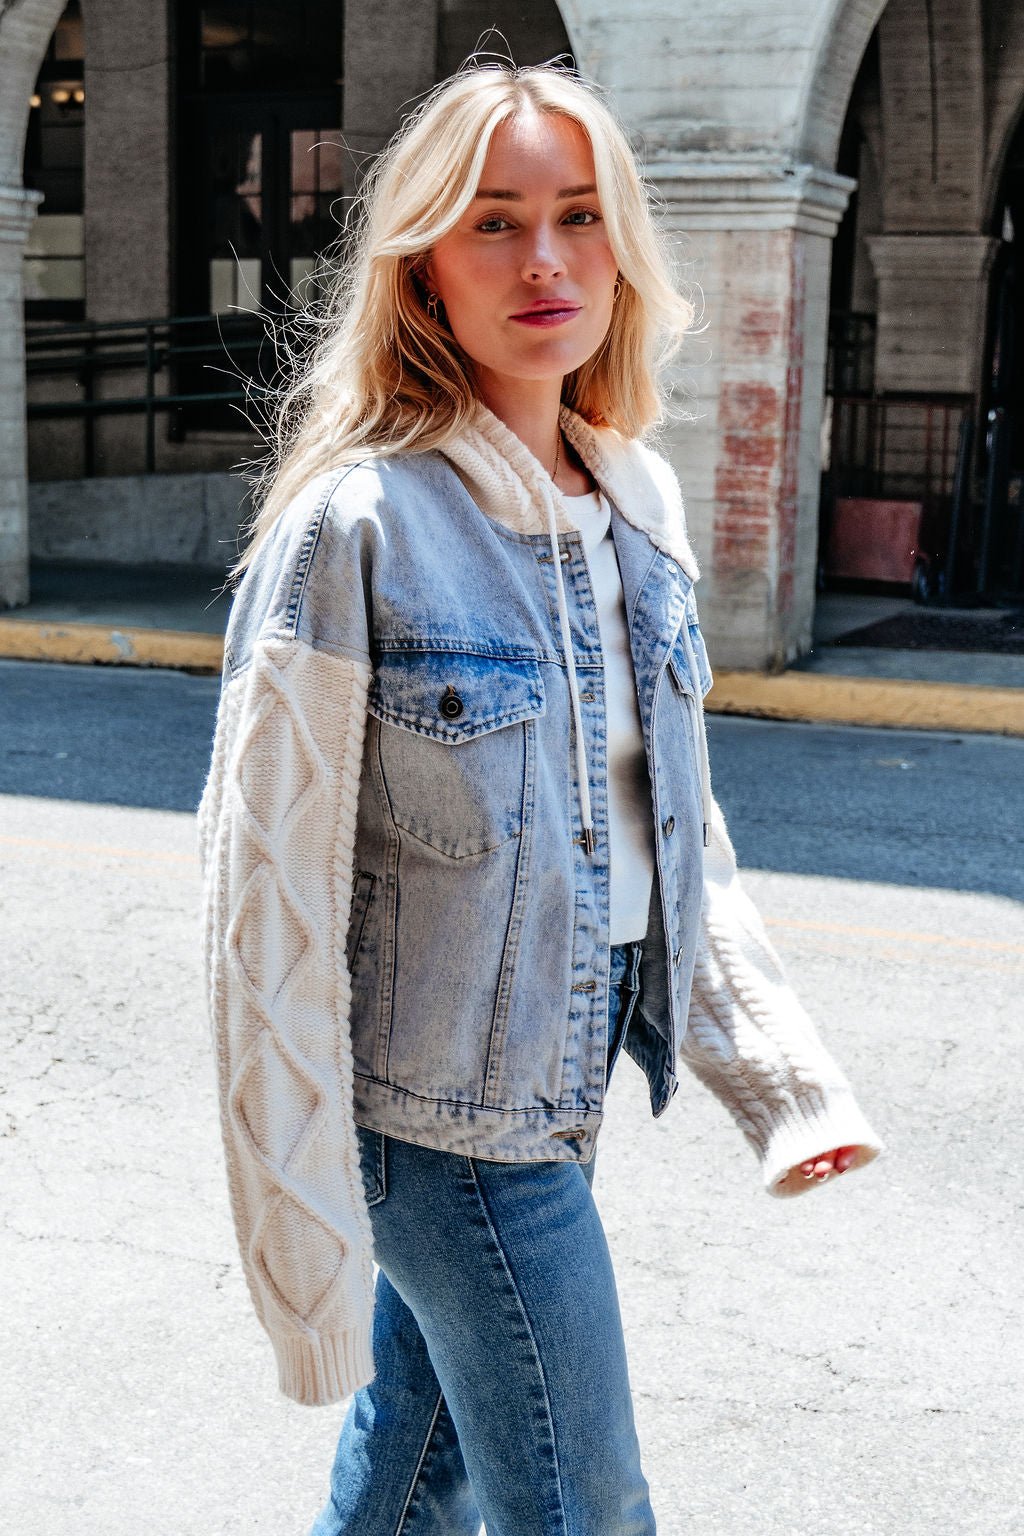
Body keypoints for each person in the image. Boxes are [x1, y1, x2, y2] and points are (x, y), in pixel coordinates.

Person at [196, 61, 885, 1536]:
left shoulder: (636, 501)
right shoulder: (355, 529)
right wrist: (303, 1259)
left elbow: (670, 829)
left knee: (420, 1461)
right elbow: (266, 917)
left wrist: (774, 1072)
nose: (546, 258)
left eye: (577, 215)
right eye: (494, 222)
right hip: (443, 1134)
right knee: (585, 1503)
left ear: (622, 246)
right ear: (424, 269)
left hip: (562, 1089)